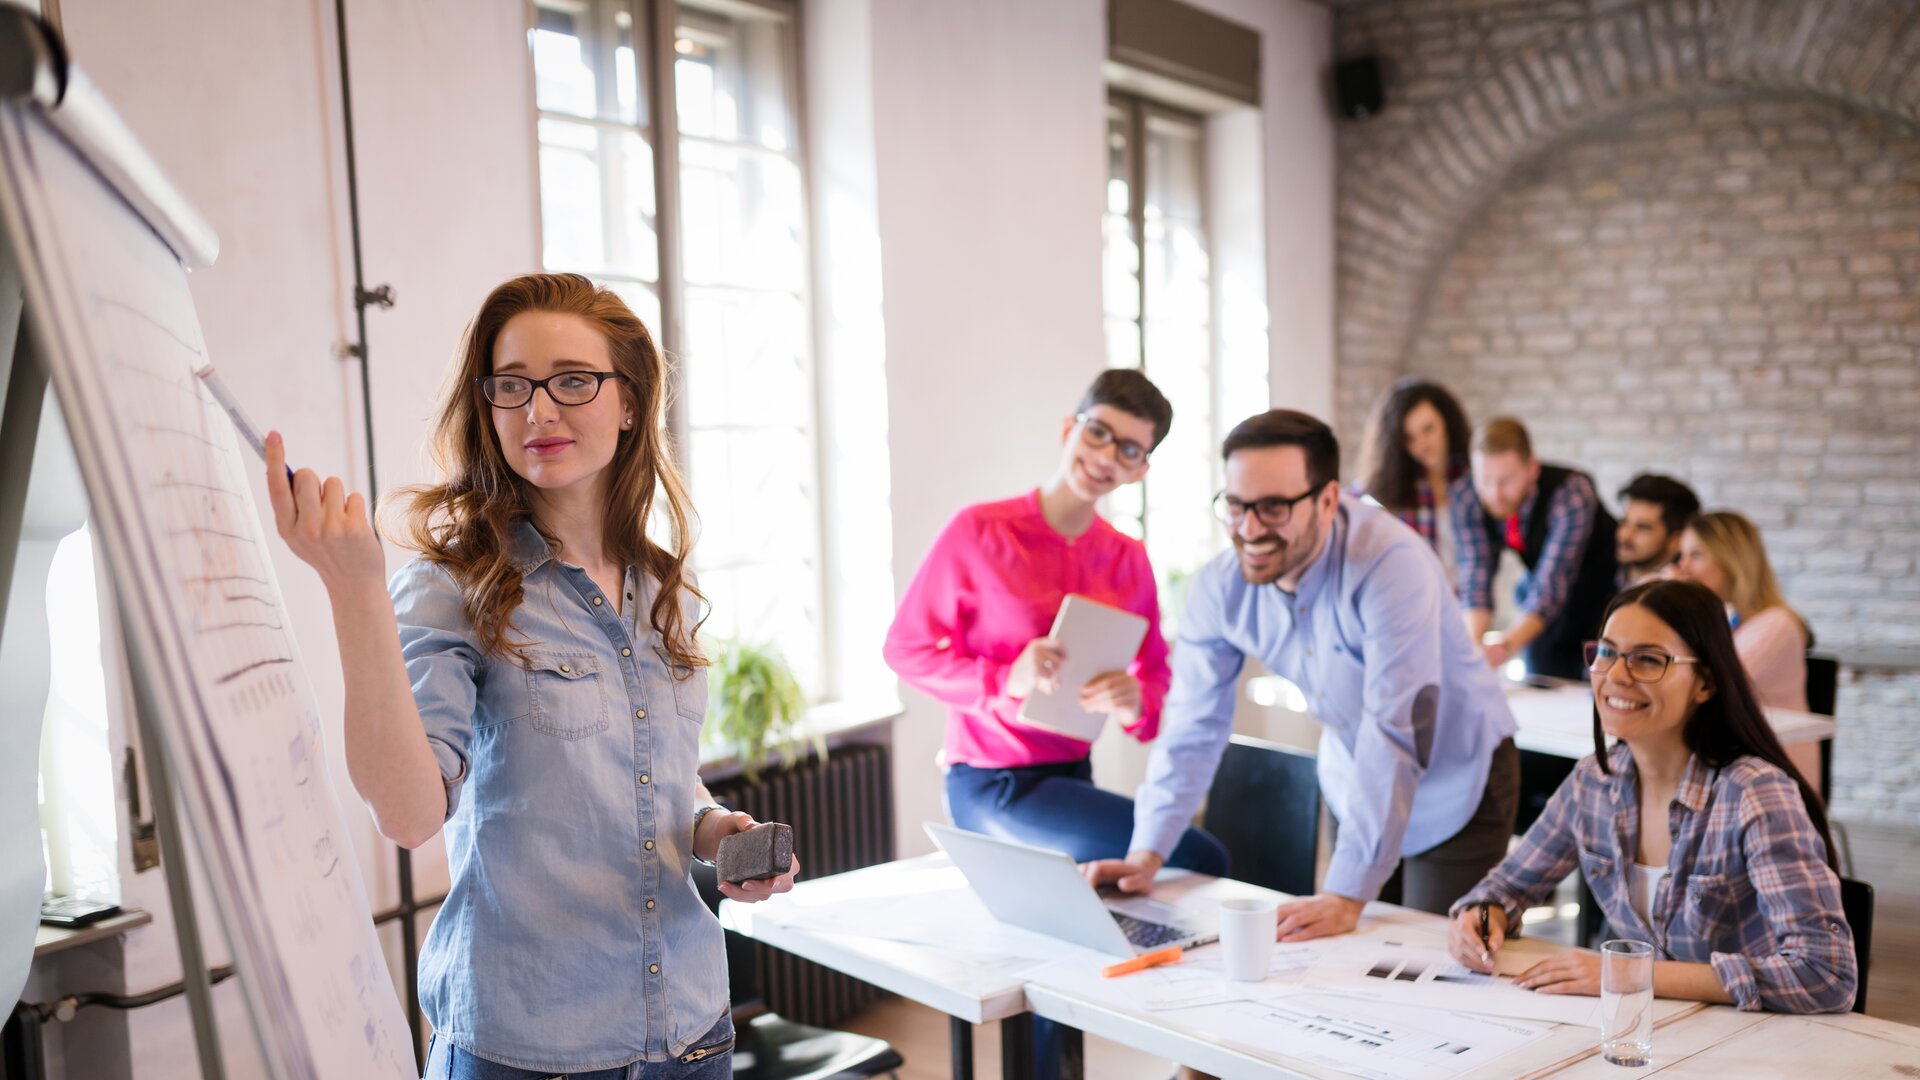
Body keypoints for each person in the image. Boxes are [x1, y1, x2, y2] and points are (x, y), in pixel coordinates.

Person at [267, 273, 798, 1078]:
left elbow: (657, 775)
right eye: (511, 387)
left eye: (572, 382)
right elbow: (409, 815)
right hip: (531, 1048)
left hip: (691, 1035)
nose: (538, 411)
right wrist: (354, 594)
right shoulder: (455, 585)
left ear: (629, 402)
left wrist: (711, 825)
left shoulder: (664, 590)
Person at [1088, 409, 1519, 937]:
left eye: (1272, 508)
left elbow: (1395, 728)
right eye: (1237, 506)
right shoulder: (1220, 587)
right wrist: (1147, 852)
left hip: (1458, 775)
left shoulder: (1391, 563)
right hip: (1355, 772)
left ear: (1328, 500)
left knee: (1436, 959)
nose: (1249, 530)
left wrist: (1345, 894)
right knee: (1346, 956)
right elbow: (1192, 727)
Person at [1447, 580, 1855, 1014]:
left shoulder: (1754, 794)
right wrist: (1480, 916)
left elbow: (1826, 975)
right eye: (1606, 652)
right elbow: (1508, 886)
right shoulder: (1595, 781)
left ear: (1706, 683)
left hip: (1748, 1044)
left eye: (1648, 660)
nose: (1617, 675)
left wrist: (1631, 972)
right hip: (1641, 1033)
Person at [882, 369, 1227, 872]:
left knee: (1149, 878)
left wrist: (1136, 702)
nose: (1107, 456)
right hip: (990, 783)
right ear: (1070, 429)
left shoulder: (1129, 559)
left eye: (1129, 450)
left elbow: (1154, 682)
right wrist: (1006, 679)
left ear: (1140, 470)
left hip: (1072, 777)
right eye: (1098, 433)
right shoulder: (979, 531)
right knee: (1197, 857)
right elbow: (905, 650)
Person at [1453, 417, 1619, 680]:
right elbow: (1476, 574)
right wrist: (1473, 649)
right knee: (1541, 675)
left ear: (1532, 468)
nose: (1495, 493)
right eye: (1484, 480)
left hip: (1603, 598)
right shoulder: (1466, 496)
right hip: (1546, 608)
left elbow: (1551, 582)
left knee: (1599, 682)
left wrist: (1506, 646)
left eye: (1505, 481)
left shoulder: (1572, 493)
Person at [1674, 512, 1812, 713]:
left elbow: (1706, 689)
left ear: (1732, 561)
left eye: (1696, 555)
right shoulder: (1728, 618)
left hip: (1773, 743)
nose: (1682, 566)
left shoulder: (1777, 625)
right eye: (1681, 555)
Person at [1355, 377, 1473, 587]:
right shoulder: (1396, 487)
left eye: (1428, 429)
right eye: (1409, 438)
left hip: (1467, 606)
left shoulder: (1472, 480)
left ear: (1446, 422)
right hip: (1417, 601)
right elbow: (1354, 500)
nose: (1422, 444)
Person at [1615, 473, 1700, 589]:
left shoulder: (1681, 592)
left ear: (1675, 541)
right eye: (1624, 522)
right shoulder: (1599, 569)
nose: (1624, 535)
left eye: (1642, 527)